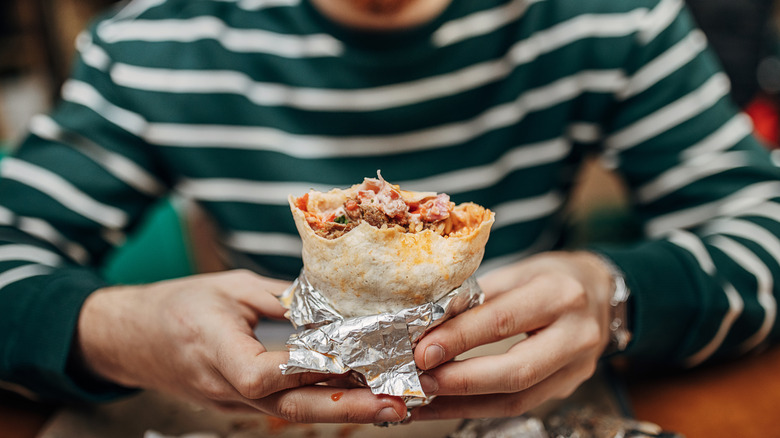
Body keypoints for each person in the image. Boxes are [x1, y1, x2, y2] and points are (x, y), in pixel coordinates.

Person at [1, 0, 779, 424]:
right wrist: (123, 332)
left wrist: (613, 296)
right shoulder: (151, 44)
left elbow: (760, 220)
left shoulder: (612, 18)